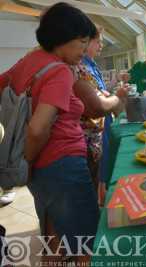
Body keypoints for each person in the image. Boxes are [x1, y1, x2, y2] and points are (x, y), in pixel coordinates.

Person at [0, 3, 99, 264]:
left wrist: (29, 162)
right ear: (63, 38)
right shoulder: (59, 71)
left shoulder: (28, 61)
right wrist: (27, 158)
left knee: (53, 238)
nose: (83, 51)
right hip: (63, 166)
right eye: (81, 42)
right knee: (87, 242)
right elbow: (38, 127)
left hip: (41, 174)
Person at [73, 26, 128, 192]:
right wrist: (116, 97)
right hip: (89, 133)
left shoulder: (90, 65)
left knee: (102, 171)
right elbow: (96, 105)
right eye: (98, 42)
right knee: (96, 177)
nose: (101, 46)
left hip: (99, 129)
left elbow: (98, 92)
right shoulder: (79, 67)